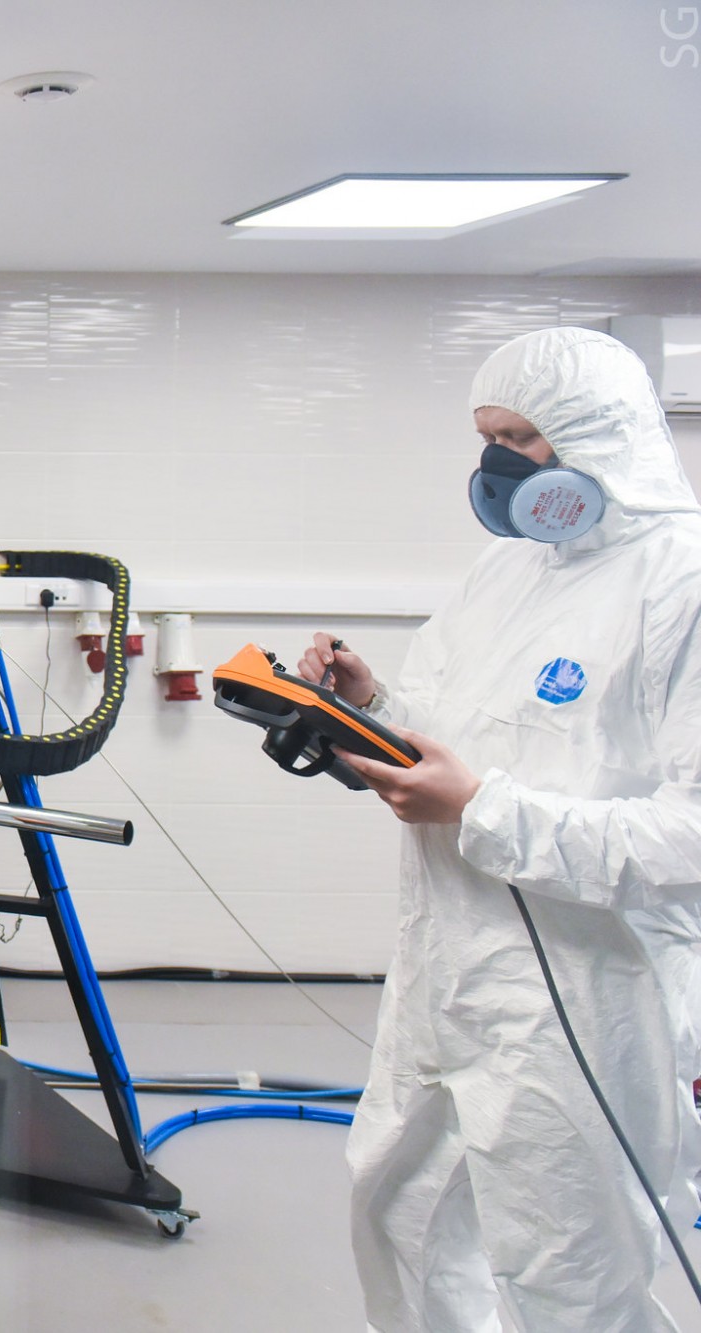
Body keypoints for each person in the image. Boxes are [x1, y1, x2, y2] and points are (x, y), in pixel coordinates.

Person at [300, 327, 701, 1332]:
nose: (497, 464)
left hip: (582, 997)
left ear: (598, 434)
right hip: (445, 967)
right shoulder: (509, 570)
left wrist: (480, 809)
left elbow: (689, 836)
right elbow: (449, 736)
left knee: (567, 1265)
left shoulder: (680, 582)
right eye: (486, 437)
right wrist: (370, 706)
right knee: (401, 1216)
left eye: (520, 437)